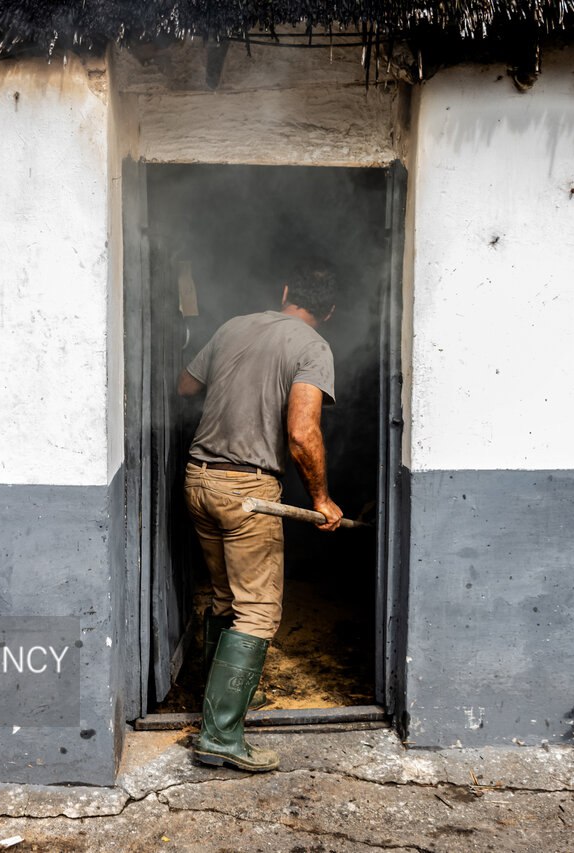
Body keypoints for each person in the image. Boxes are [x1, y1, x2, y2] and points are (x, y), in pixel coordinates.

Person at [177, 268, 344, 772]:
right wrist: (322, 499)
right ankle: (220, 735)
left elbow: (185, 386)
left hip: (199, 479)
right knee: (257, 612)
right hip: (248, 493)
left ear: (286, 292)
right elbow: (301, 433)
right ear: (329, 311)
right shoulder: (313, 347)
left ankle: (221, 702)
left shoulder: (233, 326)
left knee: (224, 596)